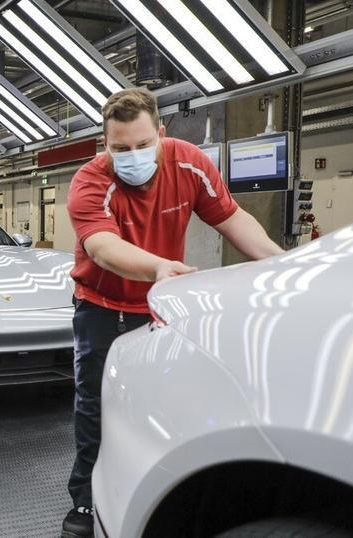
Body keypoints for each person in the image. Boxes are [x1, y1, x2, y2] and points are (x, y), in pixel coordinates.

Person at [61, 88, 284, 538]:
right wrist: (158, 267)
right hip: (102, 310)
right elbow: (102, 247)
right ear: (104, 144)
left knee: (161, 405)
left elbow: (232, 217)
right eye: (120, 148)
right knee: (96, 407)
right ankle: (85, 500)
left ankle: (155, 493)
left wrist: (283, 262)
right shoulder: (90, 181)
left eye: (144, 144)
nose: (133, 155)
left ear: (161, 133)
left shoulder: (189, 163)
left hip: (160, 308)